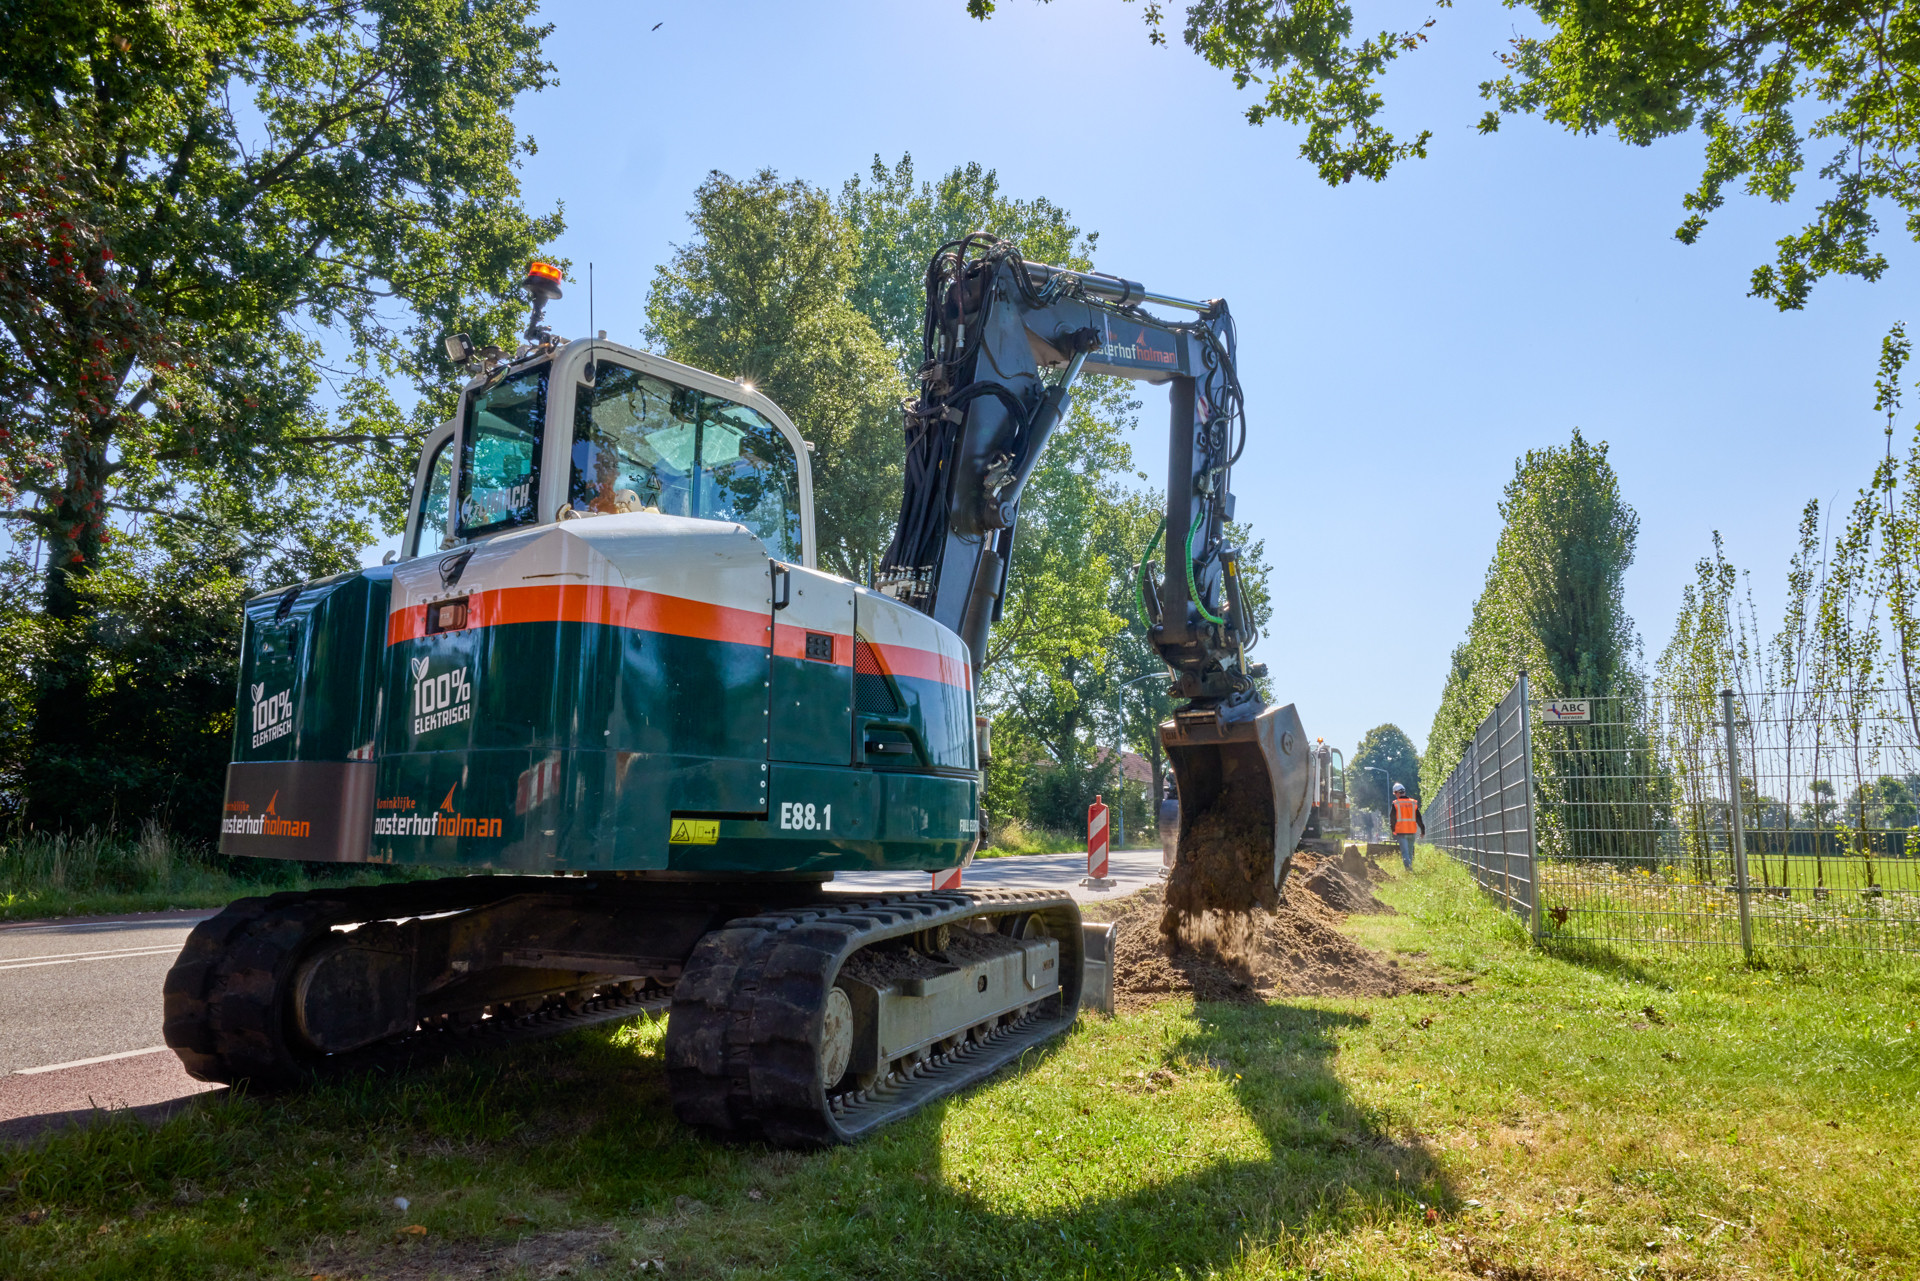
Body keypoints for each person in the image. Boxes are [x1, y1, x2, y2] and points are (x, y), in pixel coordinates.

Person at [1390, 782, 1423, 871]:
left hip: (1401, 832)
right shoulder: (1413, 803)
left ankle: (1409, 870)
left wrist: (1393, 829)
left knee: (1405, 853)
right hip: (1412, 831)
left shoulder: (1396, 803)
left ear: (1397, 792)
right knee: (1410, 853)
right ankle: (1409, 870)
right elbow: (1418, 817)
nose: (1395, 796)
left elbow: (1392, 818)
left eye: (1395, 794)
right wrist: (1422, 829)